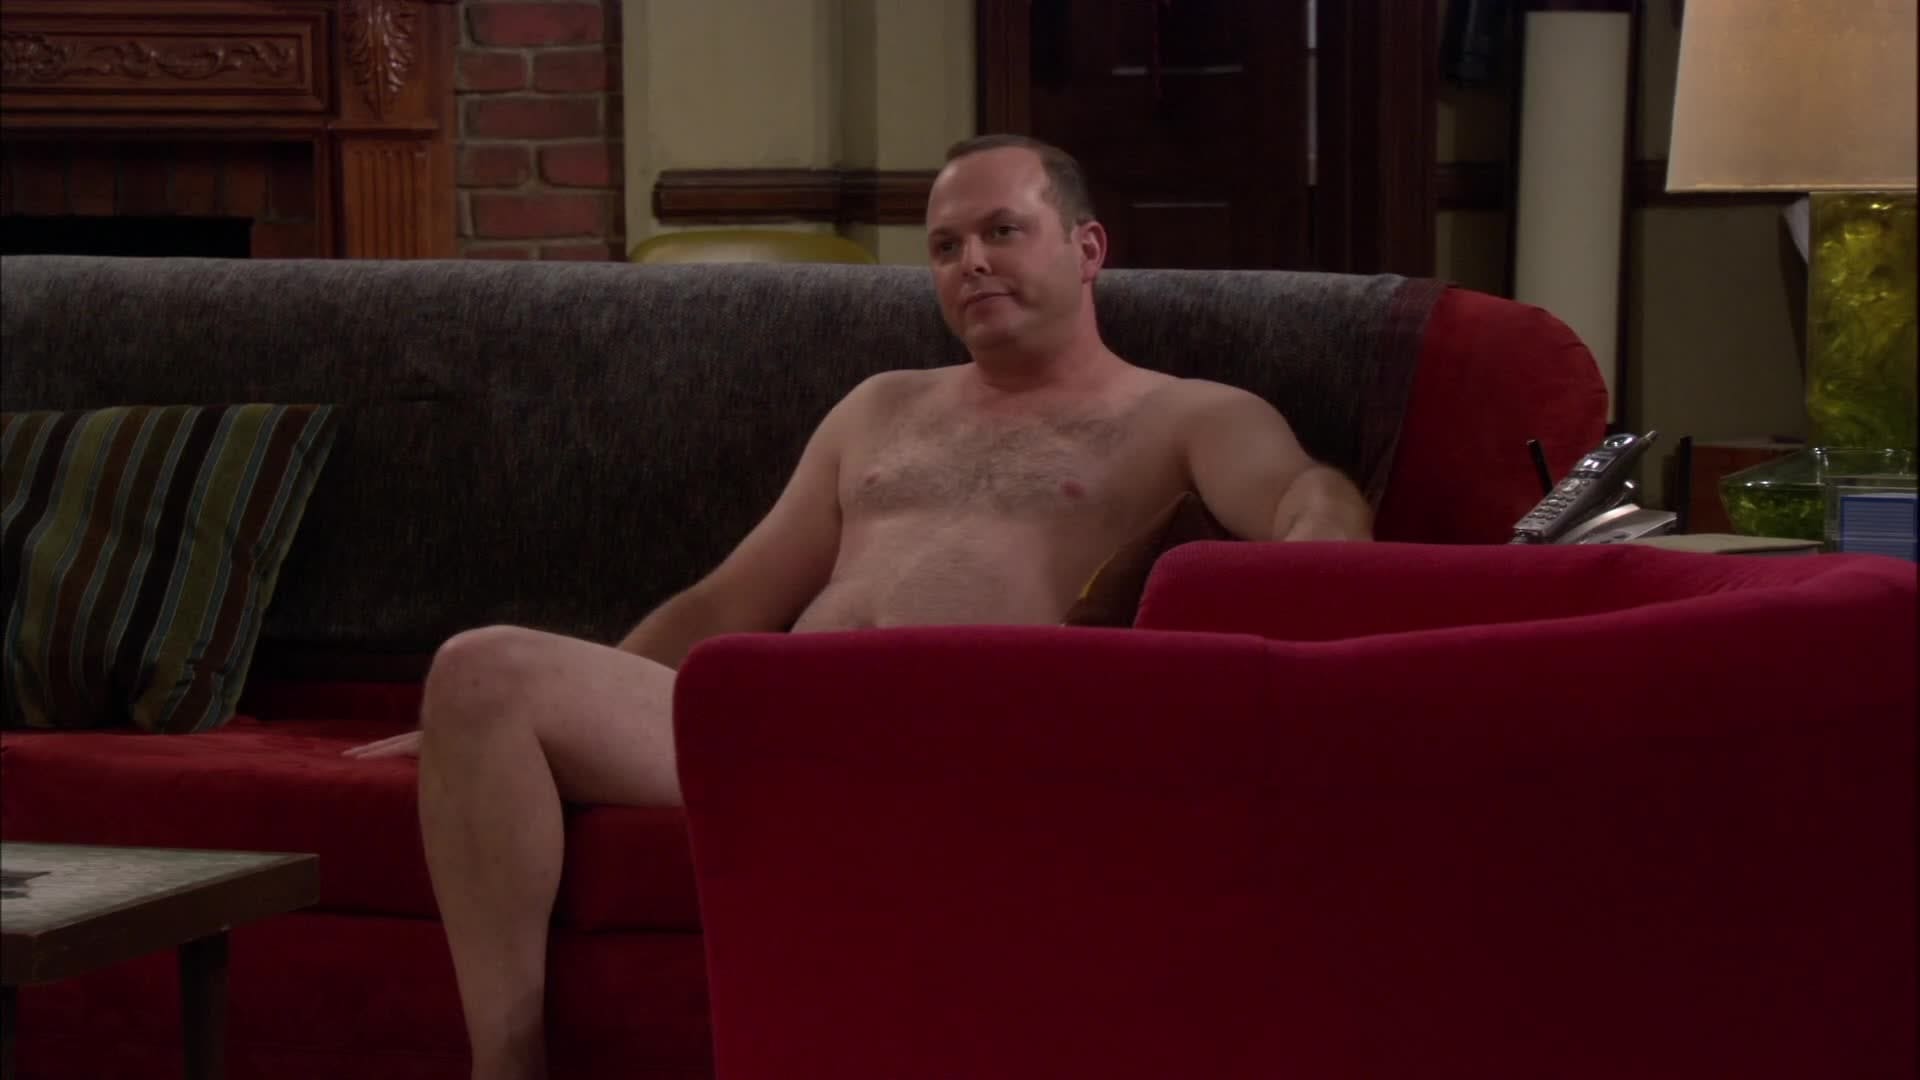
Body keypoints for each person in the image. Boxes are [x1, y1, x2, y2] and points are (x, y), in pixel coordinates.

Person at [344, 133, 1372, 1080]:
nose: (971, 263)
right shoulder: (879, 405)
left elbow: (1306, 495)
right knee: (479, 670)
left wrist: (1315, 550)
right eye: (945, 246)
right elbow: (730, 598)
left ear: (1087, 247)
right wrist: (503, 723)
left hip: (958, 747)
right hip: (772, 729)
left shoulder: (1184, 413)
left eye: (1003, 231)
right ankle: (508, 1066)